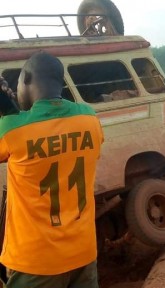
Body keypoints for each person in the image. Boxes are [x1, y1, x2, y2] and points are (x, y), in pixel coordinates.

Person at [0, 51, 104, 288]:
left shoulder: (12, 128)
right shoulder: (90, 119)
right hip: (83, 254)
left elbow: (20, 139)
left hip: (35, 262)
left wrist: (8, 111)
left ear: (26, 78)